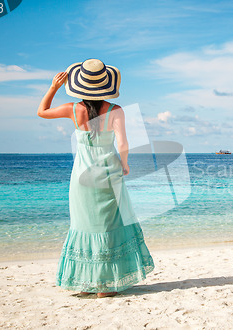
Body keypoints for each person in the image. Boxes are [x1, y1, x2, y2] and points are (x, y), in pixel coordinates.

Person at [37, 58, 155, 298]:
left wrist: (53, 87)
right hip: (108, 174)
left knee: (84, 226)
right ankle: (105, 286)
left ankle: (86, 282)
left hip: (81, 177)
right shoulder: (115, 110)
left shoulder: (73, 109)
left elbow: (42, 112)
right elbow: (122, 143)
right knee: (109, 226)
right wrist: (124, 165)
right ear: (105, 86)